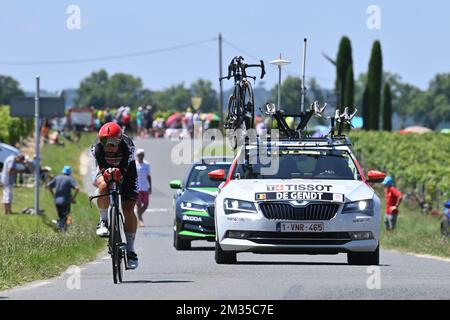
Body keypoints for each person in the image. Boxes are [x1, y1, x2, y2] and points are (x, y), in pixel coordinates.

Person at [92, 122, 139, 269]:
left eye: (113, 144)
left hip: (127, 172)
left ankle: (131, 250)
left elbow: (124, 170)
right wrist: (107, 178)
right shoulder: (97, 149)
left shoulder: (128, 147)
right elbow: (100, 169)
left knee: (128, 208)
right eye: (105, 143)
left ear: (119, 141)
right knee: (104, 186)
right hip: (105, 169)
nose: (109, 147)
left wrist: (118, 175)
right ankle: (104, 220)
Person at [47, 166, 79, 231]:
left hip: (57, 201)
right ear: (70, 172)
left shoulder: (57, 177)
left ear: (63, 171)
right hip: (66, 201)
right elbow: (77, 188)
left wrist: (53, 195)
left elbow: (48, 186)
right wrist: (73, 198)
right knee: (64, 216)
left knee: (61, 216)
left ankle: (61, 228)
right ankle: (62, 230)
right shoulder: (70, 179)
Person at [135, 149, 152, 227]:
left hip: (145, 186)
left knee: (146, 204)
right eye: (139, 155)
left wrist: (150, 186)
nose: (140, 156)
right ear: (137, 155)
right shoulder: (135, 164)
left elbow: (148, 175)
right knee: (138, 204)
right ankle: (140, 219)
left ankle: (139, 215)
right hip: (137, 186)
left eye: (142, 155)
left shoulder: (146, 164)